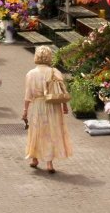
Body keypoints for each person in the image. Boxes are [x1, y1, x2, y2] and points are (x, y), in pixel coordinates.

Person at [23, 45, 73, 173]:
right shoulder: (55, 72)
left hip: (38, 106)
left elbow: (28, 95)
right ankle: (49, 163)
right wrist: (65, 106)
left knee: (36, 132)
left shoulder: (30, 74)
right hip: (53, 106)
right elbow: (61, 91)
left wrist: (25, 111)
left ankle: (34, 159)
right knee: (50, 133)